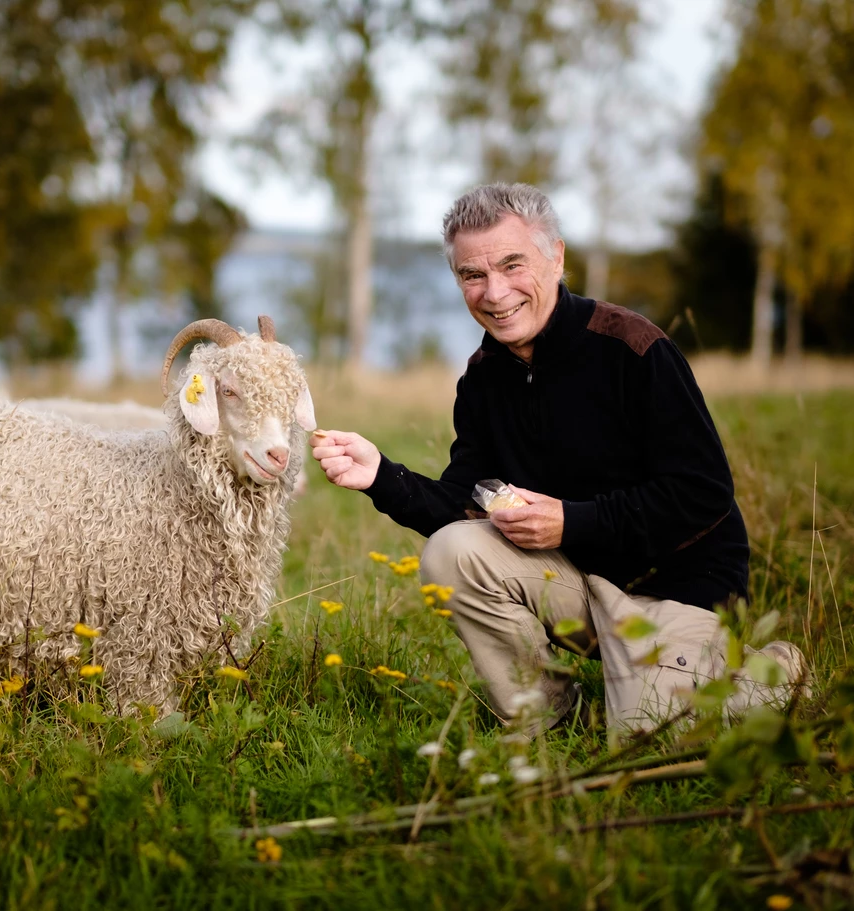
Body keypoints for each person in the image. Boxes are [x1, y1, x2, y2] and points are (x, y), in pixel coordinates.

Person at [310, 182, 805, 732]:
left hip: (679, 590)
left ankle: (770, 673)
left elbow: (703, 492)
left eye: (512, 265)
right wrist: (380, 475)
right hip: (580, 588)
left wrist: (572, 522)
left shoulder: (634, 350)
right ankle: (546, 716)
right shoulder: (482, 380)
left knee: (652, 734)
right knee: (452, 552)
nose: (495, 293)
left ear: (557, 257)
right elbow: (464, 505)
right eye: (473, 275)